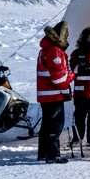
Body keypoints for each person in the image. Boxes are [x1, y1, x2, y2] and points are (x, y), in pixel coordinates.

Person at [36, 20, 74, 163]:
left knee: (46, 124)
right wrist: (71, 76)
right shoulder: (55, 51)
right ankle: (53, 155)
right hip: (54, 95)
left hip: (45, 95)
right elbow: (59, 78)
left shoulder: (44, 50)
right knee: (55, 125)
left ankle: (43, 154)